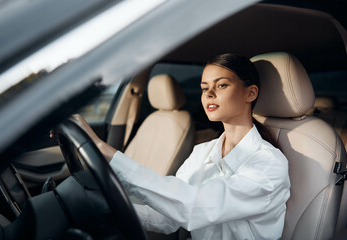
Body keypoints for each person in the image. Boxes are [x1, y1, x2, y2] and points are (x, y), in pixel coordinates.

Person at [71, 53, 291, 240]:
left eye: (221, 85)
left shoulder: (269, 164)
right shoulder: (202, 152)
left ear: (250, 93)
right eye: (204, 88)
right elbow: (167, 219)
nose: (209, 94)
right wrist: (103, 209)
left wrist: (102, 148)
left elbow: (192, 206)